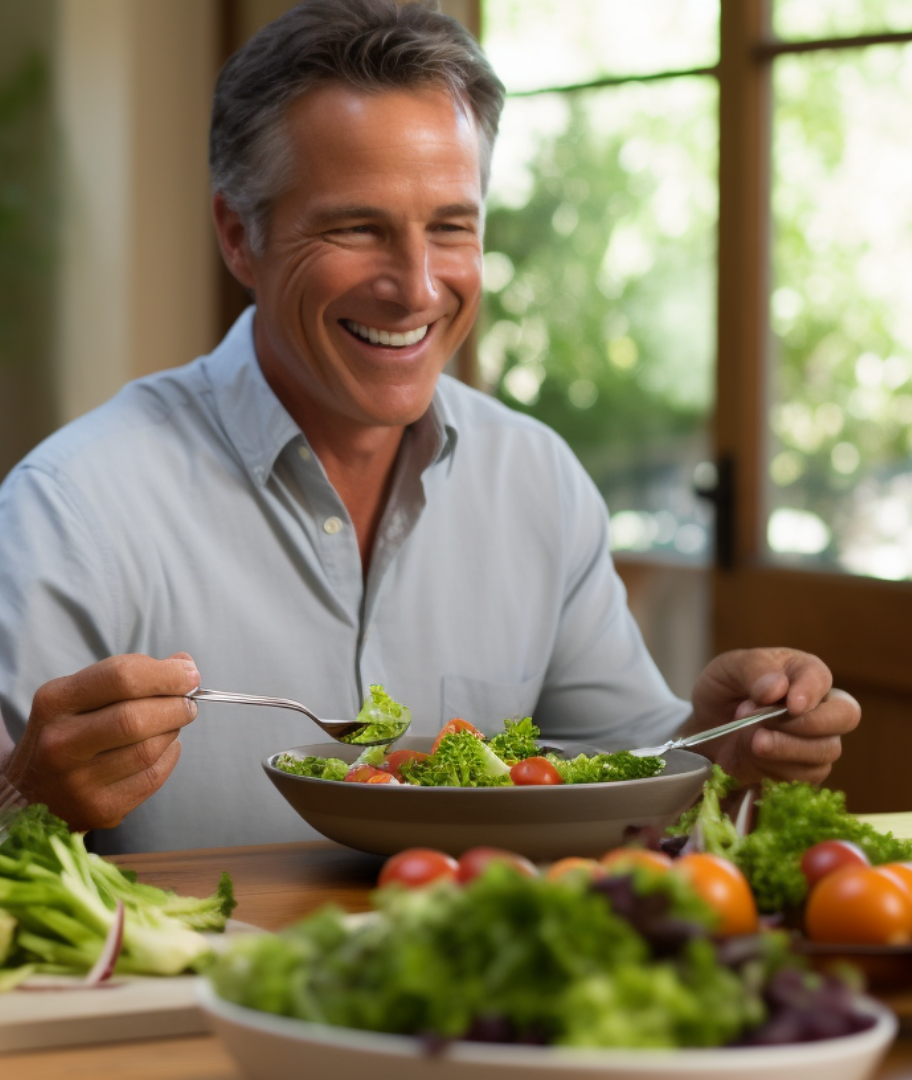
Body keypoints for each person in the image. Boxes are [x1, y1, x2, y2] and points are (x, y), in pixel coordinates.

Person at [0, 0, 858, 853]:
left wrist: (721, 739)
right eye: (356, 227)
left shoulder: (537, 481)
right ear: (239, 236)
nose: (415, 287)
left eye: (451, 228)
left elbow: (630, 781)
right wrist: (29, 796)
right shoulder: (74, 509)